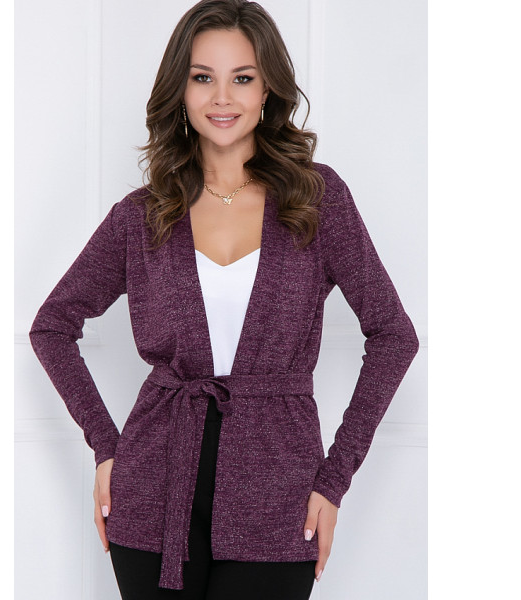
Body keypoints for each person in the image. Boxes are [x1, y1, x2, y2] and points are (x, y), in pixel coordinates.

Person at [29, 0, 419, 598]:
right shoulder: (142, 216)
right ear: (180, 91)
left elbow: (394, 335)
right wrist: (107, 448)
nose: (221, 98)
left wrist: (333, 479)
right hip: (152, 490)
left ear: (267, 91)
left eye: (242, 78)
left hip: (279, 496)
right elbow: (52, 326)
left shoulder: (317, 200)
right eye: (202, 77)